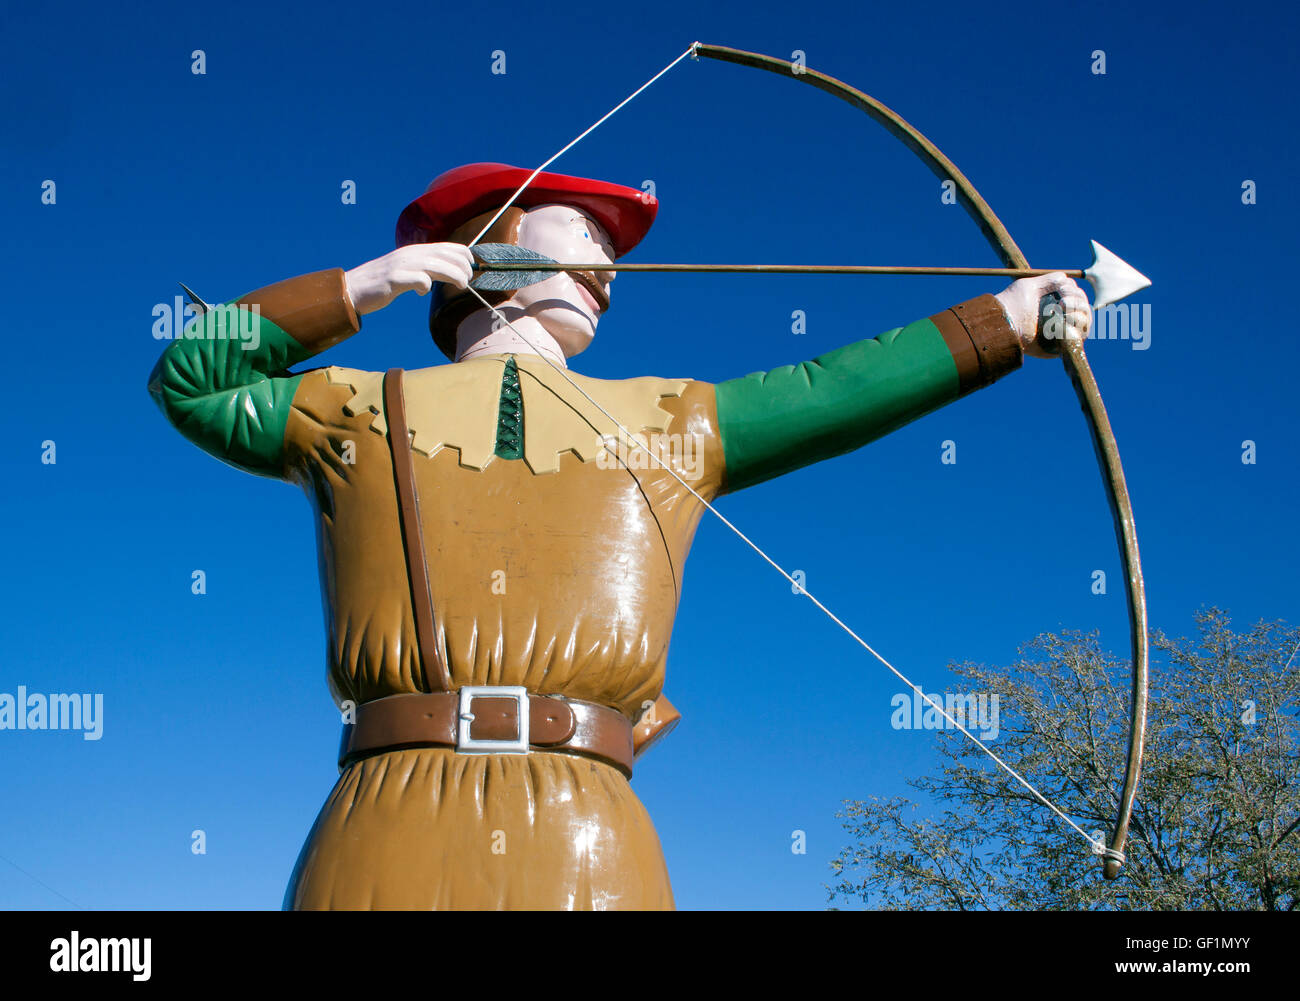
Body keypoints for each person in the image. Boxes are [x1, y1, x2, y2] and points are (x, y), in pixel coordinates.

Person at [147, 162, 1091, 909]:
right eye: (586, 238)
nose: (609, 272)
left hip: (586, 820)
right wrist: (359, 287)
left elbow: (832, 388)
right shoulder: (350, 406)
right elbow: (189, 377)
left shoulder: (668, 418)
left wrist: (1008, 322)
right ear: (497, 246)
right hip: (382, 818)